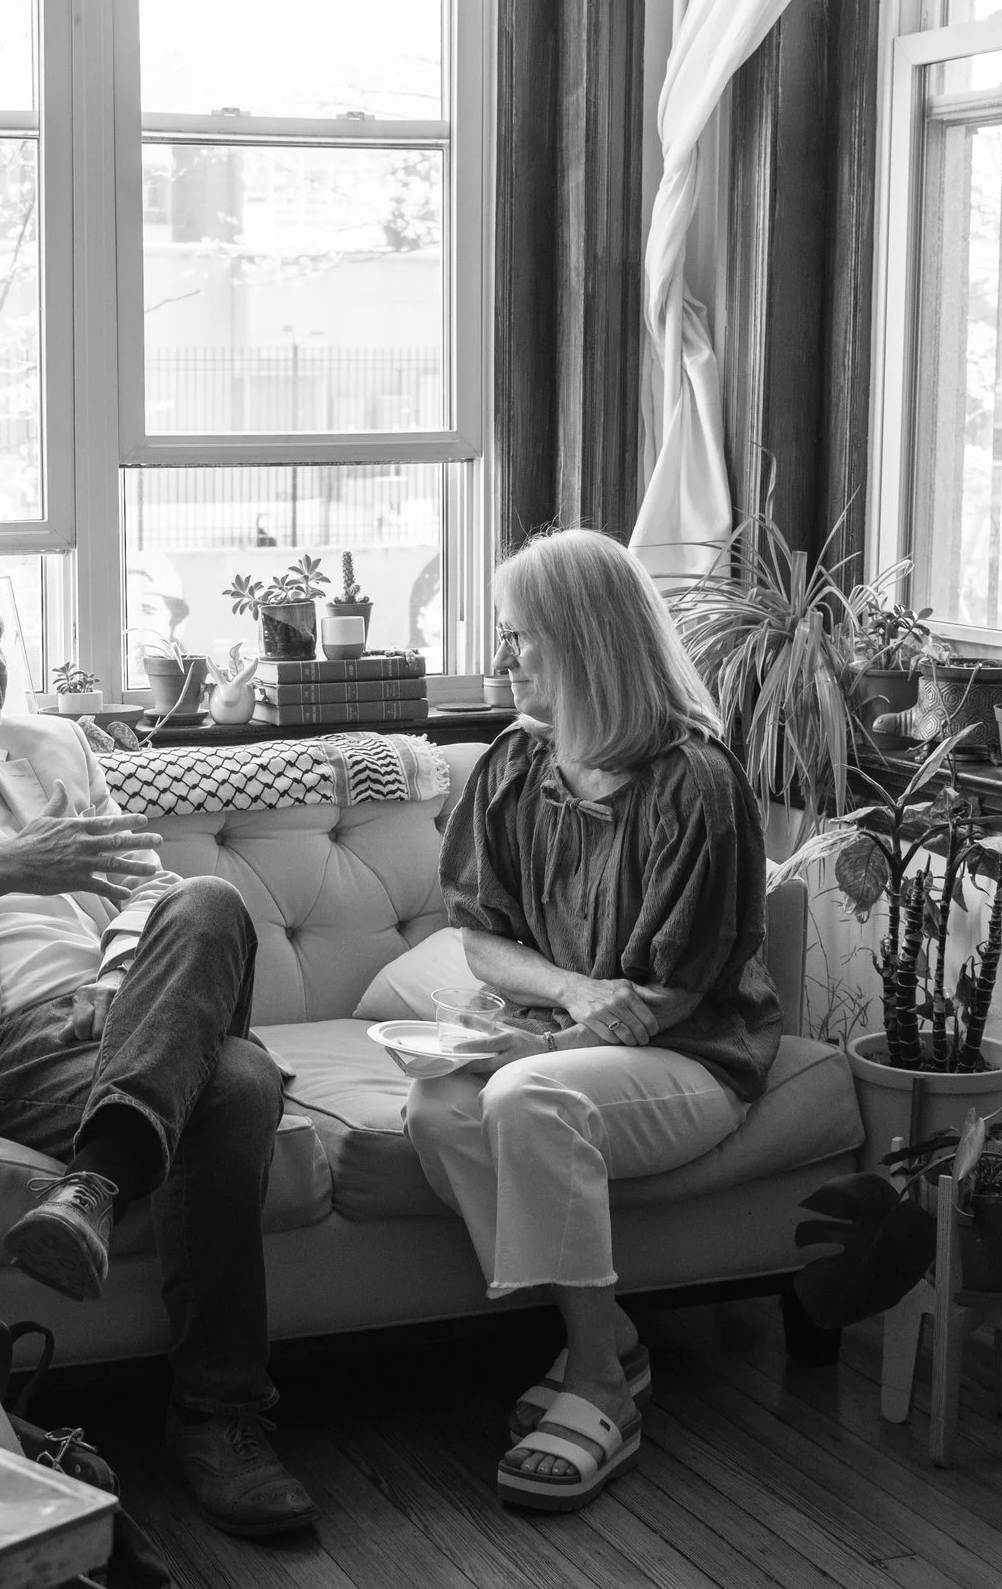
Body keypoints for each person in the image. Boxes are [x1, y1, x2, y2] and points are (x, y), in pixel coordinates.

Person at [0, 561, 318, 1537]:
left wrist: (115, 980)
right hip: (6, 1044)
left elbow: (147, 888)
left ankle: (94, 1183)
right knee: (235, 1082)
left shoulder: (52, 742)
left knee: (208, 899)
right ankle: (219, 1418)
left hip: (133, 1003)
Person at [404, 528, 780, 1513]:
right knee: (437, 1105)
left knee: (528, 1094)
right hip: (572, 1032)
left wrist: (544, 1046)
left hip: (690, 1050)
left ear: (584, 644)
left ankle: (600, 1385)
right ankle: (609, 1338)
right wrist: (563, 1000)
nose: (503, 658)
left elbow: (671, 992)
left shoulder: (695, 781)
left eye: (520, 637)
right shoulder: (515, 763)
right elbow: (478, 936)